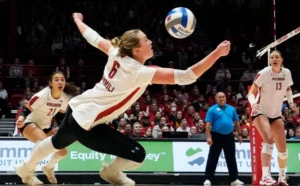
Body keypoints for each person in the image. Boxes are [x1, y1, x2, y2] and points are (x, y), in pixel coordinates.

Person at [14, 12, 231, 186]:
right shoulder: (140, 71)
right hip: (88, 124)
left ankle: (25, 169)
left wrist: (77, 20)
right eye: (147, 40)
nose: (151, 41)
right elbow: (187, 76)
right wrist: (216, 54)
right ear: (137, 49)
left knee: (55, 142)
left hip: (77, 107)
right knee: (138, 155)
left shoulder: (117, 52)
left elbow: (93, 37)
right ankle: (110, 172)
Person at [15, 71, 76, 184]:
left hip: (46, 127)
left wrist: (65, 129)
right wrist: (21, 118)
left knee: (63, 152)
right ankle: (28, 173)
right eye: (56, 79)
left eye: (62, 79)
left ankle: (48, 168)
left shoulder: (65, 98)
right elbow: (26, 109)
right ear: (50, 83)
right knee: (43, 143)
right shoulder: (41, 95)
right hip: (29, 122)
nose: (60, 82)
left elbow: (60, 116)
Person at [248, 50, 298, 185]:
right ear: (269, 60)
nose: (274, 59)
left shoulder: (286, 73)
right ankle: (265, 176)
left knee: (283, 149)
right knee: (269, 139)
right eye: (272, 57)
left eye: (276, 57)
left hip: (275, 114)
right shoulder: (264, 72)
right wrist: (253, 104)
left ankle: (282, 177)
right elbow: (251, 92)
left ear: (281, 59)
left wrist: (291, 102)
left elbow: (288, 88)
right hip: (260, 111)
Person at [204, 92, 243, 186]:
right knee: (213, 158)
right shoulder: (212, 109)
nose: (222, 99)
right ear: (216, 99)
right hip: (216, 137)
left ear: (225, 98)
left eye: (223, 97)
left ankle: (234, 180)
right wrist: (208, 137)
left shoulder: (232, 109)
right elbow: (208, 125)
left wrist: (240, 134)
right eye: (219, 97)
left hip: (229, 136)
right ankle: (208, 179)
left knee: (231, 158)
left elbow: (236, 122)